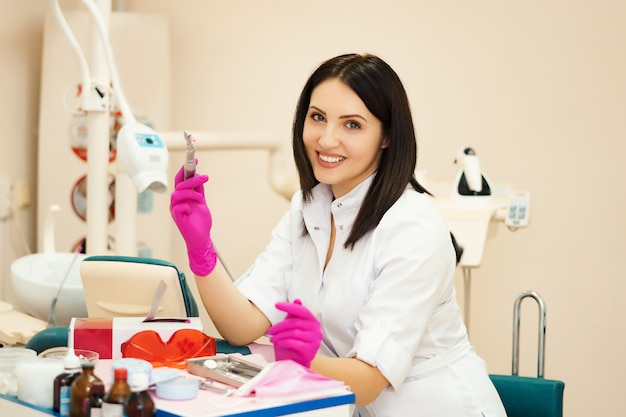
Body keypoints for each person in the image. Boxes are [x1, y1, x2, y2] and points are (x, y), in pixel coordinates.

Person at [170, 53, 506, 417]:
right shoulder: (307, 207)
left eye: (352, 125)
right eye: (318, 118)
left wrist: (306, 359)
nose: (327, 139)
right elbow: (242, 325)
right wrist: (200, 247)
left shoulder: (414, 228)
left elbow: (368, 381)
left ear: (386, 137)